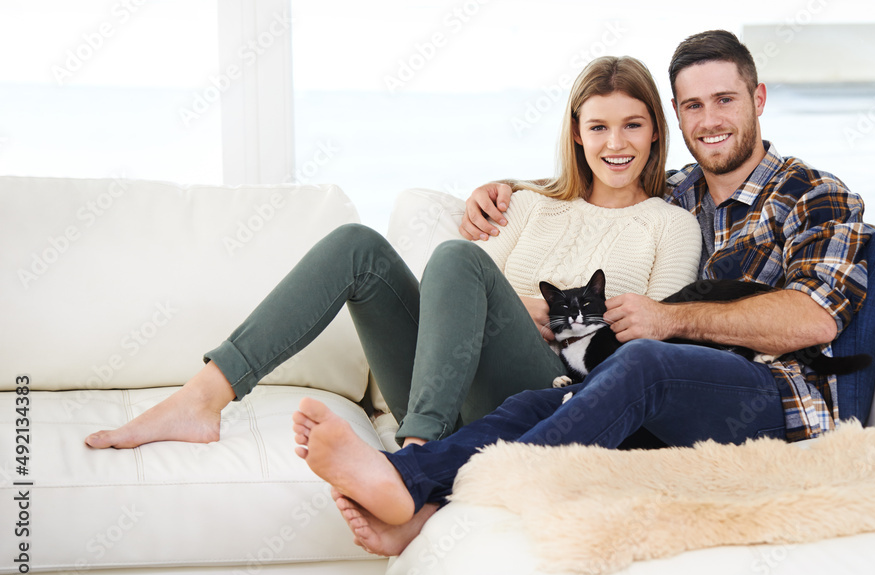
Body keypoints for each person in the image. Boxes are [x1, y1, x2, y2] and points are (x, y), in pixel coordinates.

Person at [291, 29, 873, 556]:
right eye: (693, 105)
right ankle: (407, 478)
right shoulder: (682, 190)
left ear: (759, 99)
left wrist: (671, 321)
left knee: (643, 359)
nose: (710, 119)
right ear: (676, 115)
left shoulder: (816, 195)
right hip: (668, 389)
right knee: (538, 403)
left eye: (725, 100)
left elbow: (815, 318)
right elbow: (599, 179)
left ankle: (436, 504)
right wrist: (504, 189)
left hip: (774, 395)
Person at [85, 55, 701, 450]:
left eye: (633, 125)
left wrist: (530, 318)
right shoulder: (528, 204)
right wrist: (520, 309)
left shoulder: (670, 227)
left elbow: (659, 357)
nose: (616, 143)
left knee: (460, 259)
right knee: (359, 247)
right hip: (441, 393)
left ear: (655, 131)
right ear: (575, 132)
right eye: (599, 126)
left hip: (552, 401)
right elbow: (461, 293)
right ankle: (203, 398)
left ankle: (414, 456)